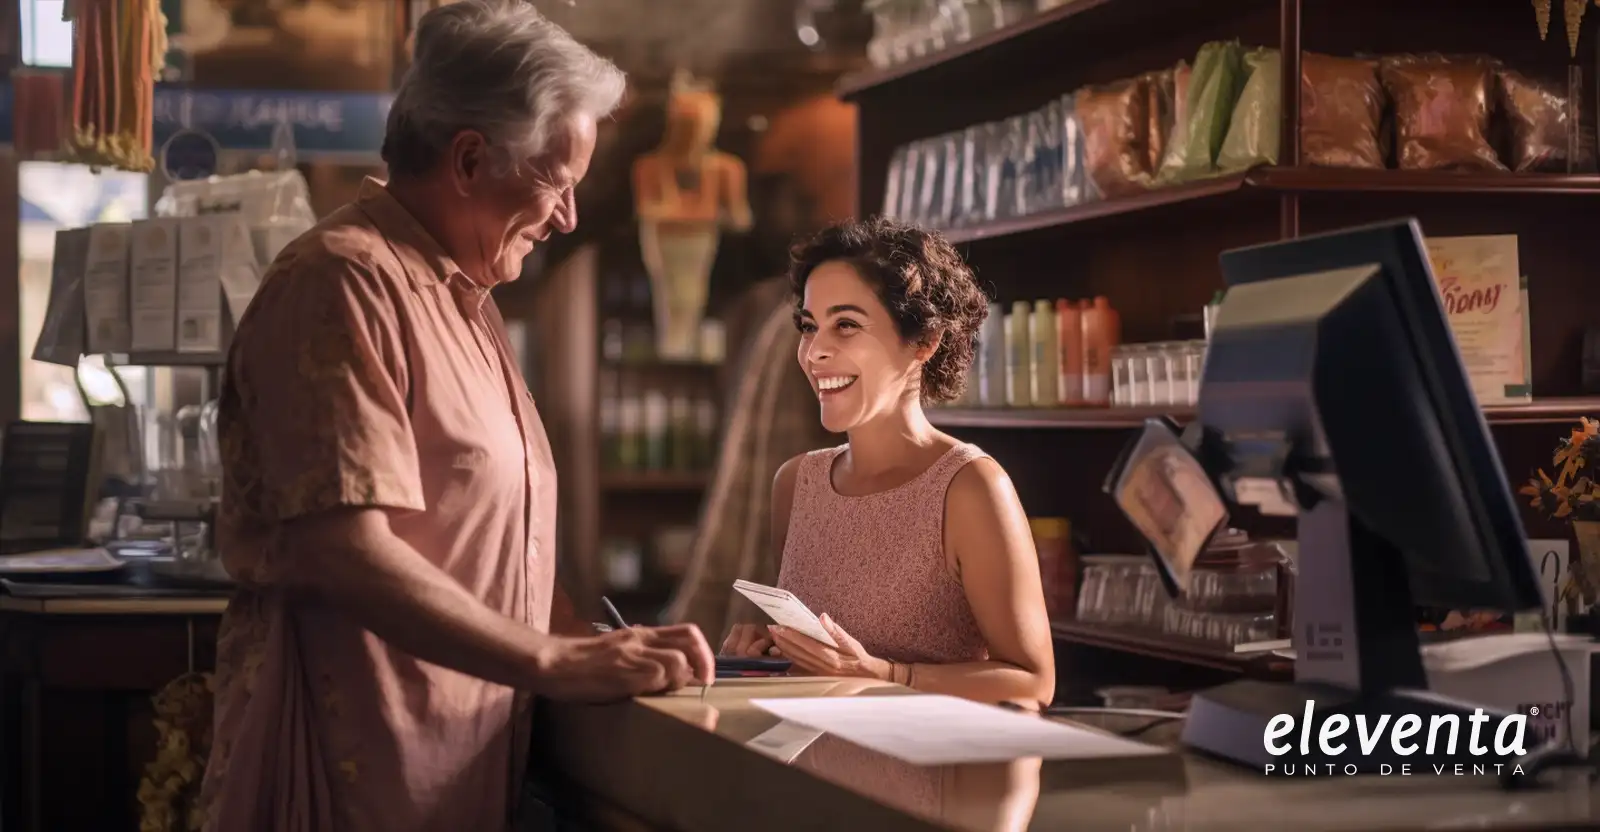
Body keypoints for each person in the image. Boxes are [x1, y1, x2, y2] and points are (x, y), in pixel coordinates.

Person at [199, 2, 714, 829]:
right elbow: (340, 549)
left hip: (450, 772)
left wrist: (601, 645)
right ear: (470, 160)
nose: (569, 216)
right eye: (559, 182)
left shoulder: (464, 299)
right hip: (351, 779)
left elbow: (492, 543)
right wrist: (553, 660)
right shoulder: (341, 281)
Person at [721, 217, 1056, 709]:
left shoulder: (970, 488)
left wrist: (885, 674)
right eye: (809, 327)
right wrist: (767, 654)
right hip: (810, 755)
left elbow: (1033, 683)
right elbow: (823, 671)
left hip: (924, 758)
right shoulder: (795, 484)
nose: (815, 352)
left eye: (846, 325)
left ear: (924, 341)